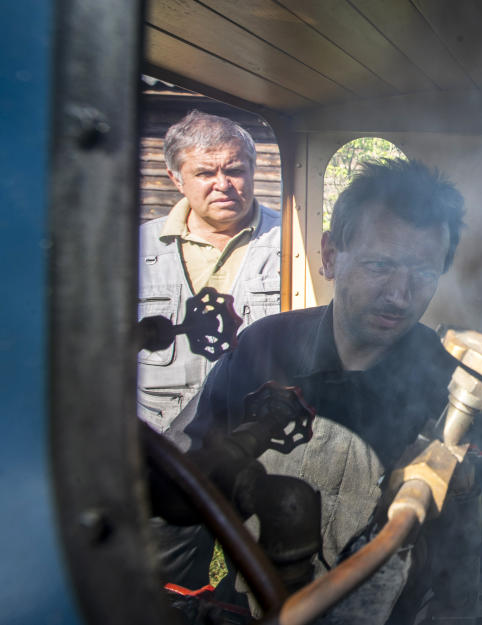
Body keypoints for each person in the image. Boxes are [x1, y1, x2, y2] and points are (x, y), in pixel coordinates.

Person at [179, 158, 466, 622]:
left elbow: (467, 552)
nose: (400, 294)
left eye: (424, 272)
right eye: (380, 265)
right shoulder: (263, 347)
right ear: (331, 255)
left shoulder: (452, 385)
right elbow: (189, 478)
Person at [138, 110, 281, 434]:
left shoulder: (294, 241)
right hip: (156, 444)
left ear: (253, 170)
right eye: (205, 173)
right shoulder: (135, 248)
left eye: (235, 170)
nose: (223, 185)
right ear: (177, 179)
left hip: (257, 437)